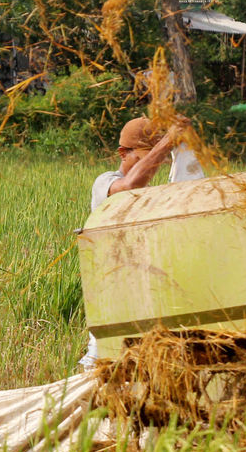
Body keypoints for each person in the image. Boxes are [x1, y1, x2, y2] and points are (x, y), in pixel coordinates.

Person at [80, 115, 205, 369]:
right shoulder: (104, 182)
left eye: (158, 157)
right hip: (112, 293)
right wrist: (168, 141)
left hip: (142, 295)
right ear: (123, 153)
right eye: (145, 155)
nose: (154, 164)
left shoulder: (151, 196)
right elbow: (129, 185)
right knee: (102, 367)